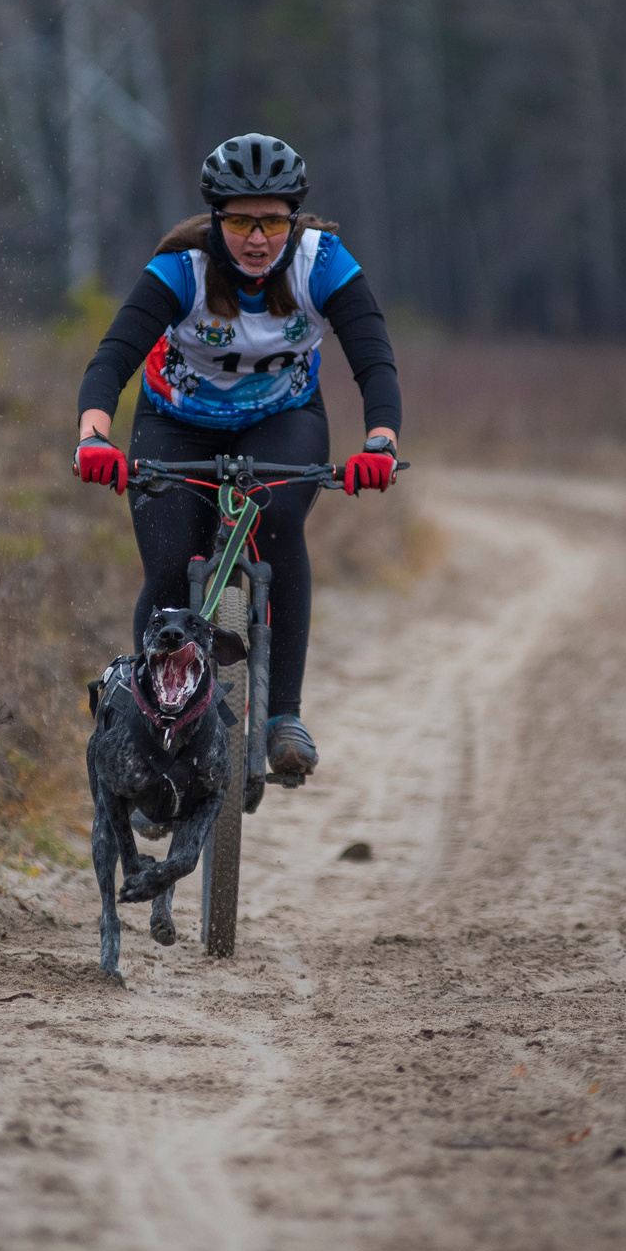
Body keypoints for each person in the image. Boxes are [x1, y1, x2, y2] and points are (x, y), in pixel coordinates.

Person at [72, 132, 402, 782]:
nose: (258, 237)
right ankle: (148, 715)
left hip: (281, 422)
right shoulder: (181, 267)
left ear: (295, 219)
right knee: (170, 566)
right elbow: (113, 357)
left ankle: (283, 715)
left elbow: (374, 359)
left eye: (274, 219)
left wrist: (380, 443)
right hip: (175, 424)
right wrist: (93, 436)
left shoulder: (322, 261)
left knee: (276, 519)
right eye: (242, 220)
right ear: (216, 219)